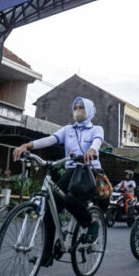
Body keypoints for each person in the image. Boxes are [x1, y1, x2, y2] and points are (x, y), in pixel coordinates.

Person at [13, 97, 103, 267]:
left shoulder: (96, 129)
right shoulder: (68, 129)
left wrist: (92, 150)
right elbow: (50, 139)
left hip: (88, 171)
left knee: (70, 199)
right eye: (75, 107)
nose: (78, 110)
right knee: (49, 208)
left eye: (81, 107)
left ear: (89, 110)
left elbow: (97, 141)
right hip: (71, 170)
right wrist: (27, 145)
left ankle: (91, 223)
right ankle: (46, 256)